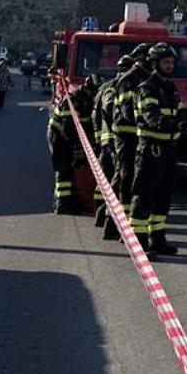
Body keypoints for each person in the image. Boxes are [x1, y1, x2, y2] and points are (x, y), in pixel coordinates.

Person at [130, 43, 184, 256]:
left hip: (169, 150)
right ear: (155, 64)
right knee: (144, 197)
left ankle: (158, 240)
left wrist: (181, 121)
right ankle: (139, 245)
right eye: (165, 62)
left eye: (171, 62)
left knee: (164, 198)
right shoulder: (147, 87)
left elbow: (179, 111)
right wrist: (169, 123)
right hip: (151, 150)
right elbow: (150, 115)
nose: (170, 66)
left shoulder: (171, 87)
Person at [107, 44, 151, 241]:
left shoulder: (148, 79)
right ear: (141, 58)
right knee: (125, 178)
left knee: (137, 181)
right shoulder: (129, 80)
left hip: (141, 137)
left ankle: (124, 223)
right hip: (127, 137)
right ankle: (117, 224)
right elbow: (127, 113)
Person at [46, 73, 98, 215]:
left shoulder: (86, 100)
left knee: (71, 167)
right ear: (89, 89)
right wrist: (77, 145)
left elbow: (86, 124)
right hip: (59, 136)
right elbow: (69, 128)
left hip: (68, 137)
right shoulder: (74, 100)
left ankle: (70, 200)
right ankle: (62, 204)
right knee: (64, 168)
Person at [91, 55, 131, 228]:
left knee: (107, 181)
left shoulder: (107, 86)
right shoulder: (113, 89)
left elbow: (96, 114)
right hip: (113, 142)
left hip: (108, 140)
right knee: (113, 180)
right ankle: (105, 216)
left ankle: (102, 213)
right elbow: (108, 110)